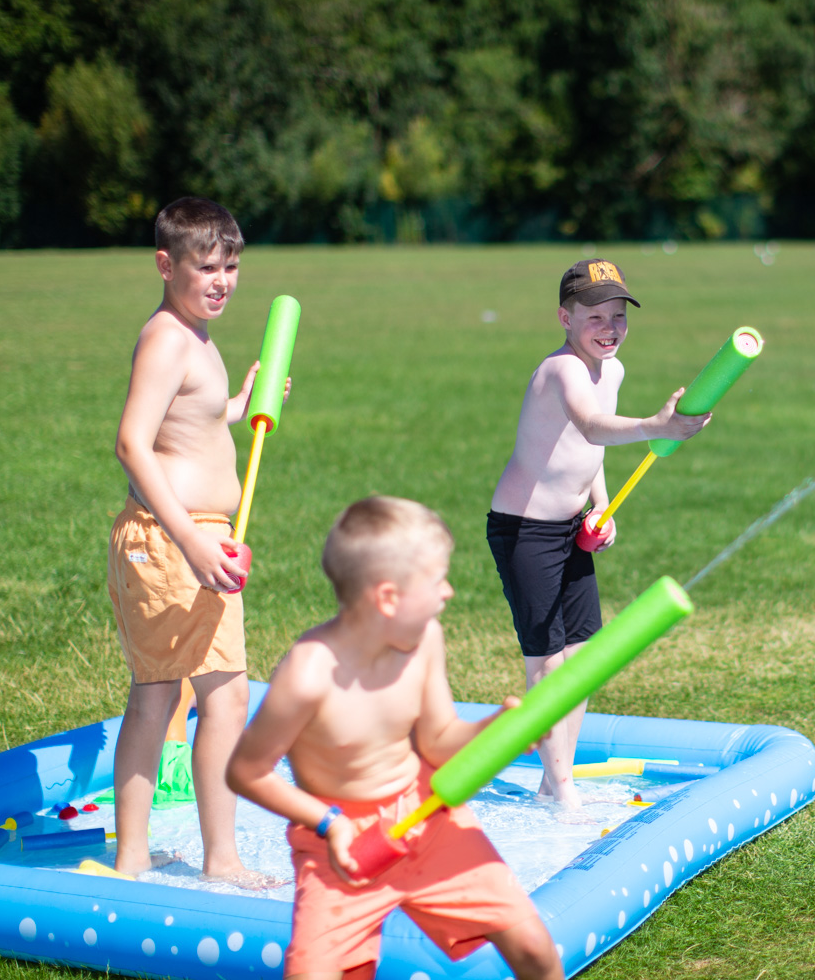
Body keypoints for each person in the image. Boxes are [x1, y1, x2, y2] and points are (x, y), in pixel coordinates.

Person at [226, 497, 562, 980]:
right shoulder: (309, 675)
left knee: (531, 944)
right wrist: (329, 823)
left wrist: (495, 731)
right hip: (338, 846)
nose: (448, 591)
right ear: (387, 597)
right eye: (436, 580)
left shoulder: (425, 639)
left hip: (425, 817)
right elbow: (245, 771)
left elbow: (439, 740)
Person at [107, 196, 285, 884]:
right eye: (206, 266)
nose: (222, 280)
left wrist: (239, 406)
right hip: (174, 540)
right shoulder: (168, 337)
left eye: (231, 266)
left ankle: (134, 860)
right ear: (165, 264)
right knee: (219, 697)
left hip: (182, 540)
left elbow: (190, 427)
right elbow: (133, 442)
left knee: (161, 695)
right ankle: (220, 859)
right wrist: (191, 542)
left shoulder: (194, 337)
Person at [487, 259, 709, 810]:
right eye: (595, 316)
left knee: (583, 652)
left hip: (570, 527)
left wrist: (601, 505)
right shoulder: (561, 370)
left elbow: (593, 448)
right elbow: (590, 424)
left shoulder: (613, 370)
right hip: (525, 531)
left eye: (618, 316)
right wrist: (657, 427)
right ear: (565, 317)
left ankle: (551, 781)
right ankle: (561, 786)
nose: (609, 327)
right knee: (547, 656)